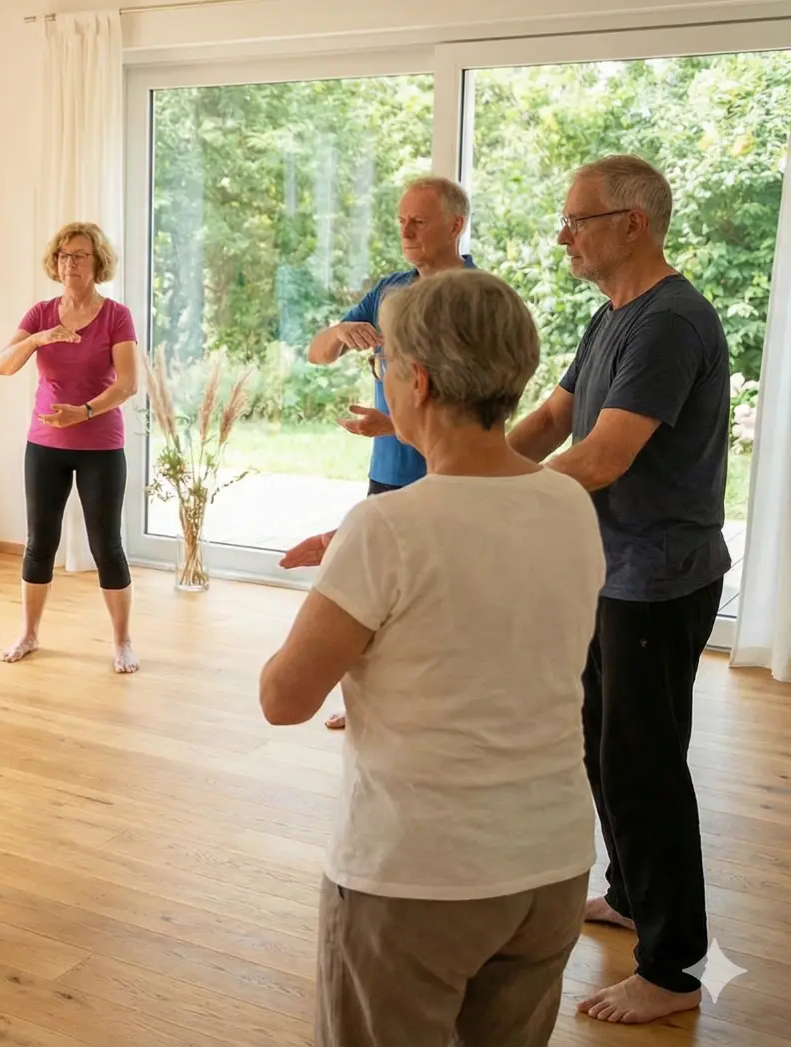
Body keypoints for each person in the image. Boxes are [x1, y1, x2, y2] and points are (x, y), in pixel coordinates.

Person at [259, 269, 602, 1047]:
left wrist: (339, 582)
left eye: (384, 367)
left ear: (415, 379)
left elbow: (283, 696)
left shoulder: (386, 528)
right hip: (550, 866)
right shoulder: (571, 505)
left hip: (417, 876)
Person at [509, 154, 730, 1026]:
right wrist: (466, 469)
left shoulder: (671, 321)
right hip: (617, 572)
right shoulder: (612, 317)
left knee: (645, 767)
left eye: (577, 219)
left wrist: (499, 506)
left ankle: (674, 969)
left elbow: (603, 457)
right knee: (606, 746)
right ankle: (633, 894)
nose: (564, 235)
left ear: (631, 223)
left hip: (658, 580)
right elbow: (556, 419)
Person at [281, 176, 474, 729]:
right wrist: (342, 331)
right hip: (388, 470)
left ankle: (435, 703)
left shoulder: (476, 296)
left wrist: (395, 423)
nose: (406, 231)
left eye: (420, 221)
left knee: (438, 596)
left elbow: (477, 396)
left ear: (455, 226)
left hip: (448, 472)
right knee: (376, 595)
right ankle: (369, 697)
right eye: (400, 221)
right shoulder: (390, 289)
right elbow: (317, 353)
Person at [0, 222, 142, 674]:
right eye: (63, 255)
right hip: (45, 445)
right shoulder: (40, 313)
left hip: (99, 444)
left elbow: (129, 384)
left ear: (97, 263)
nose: (69, 263)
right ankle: (29, 633)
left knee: (106, 546)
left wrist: (86, 411)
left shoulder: (116, 315)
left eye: (79, 255)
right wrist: (38, 338)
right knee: (39, 543)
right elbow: (3, 365)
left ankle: (123, 642)